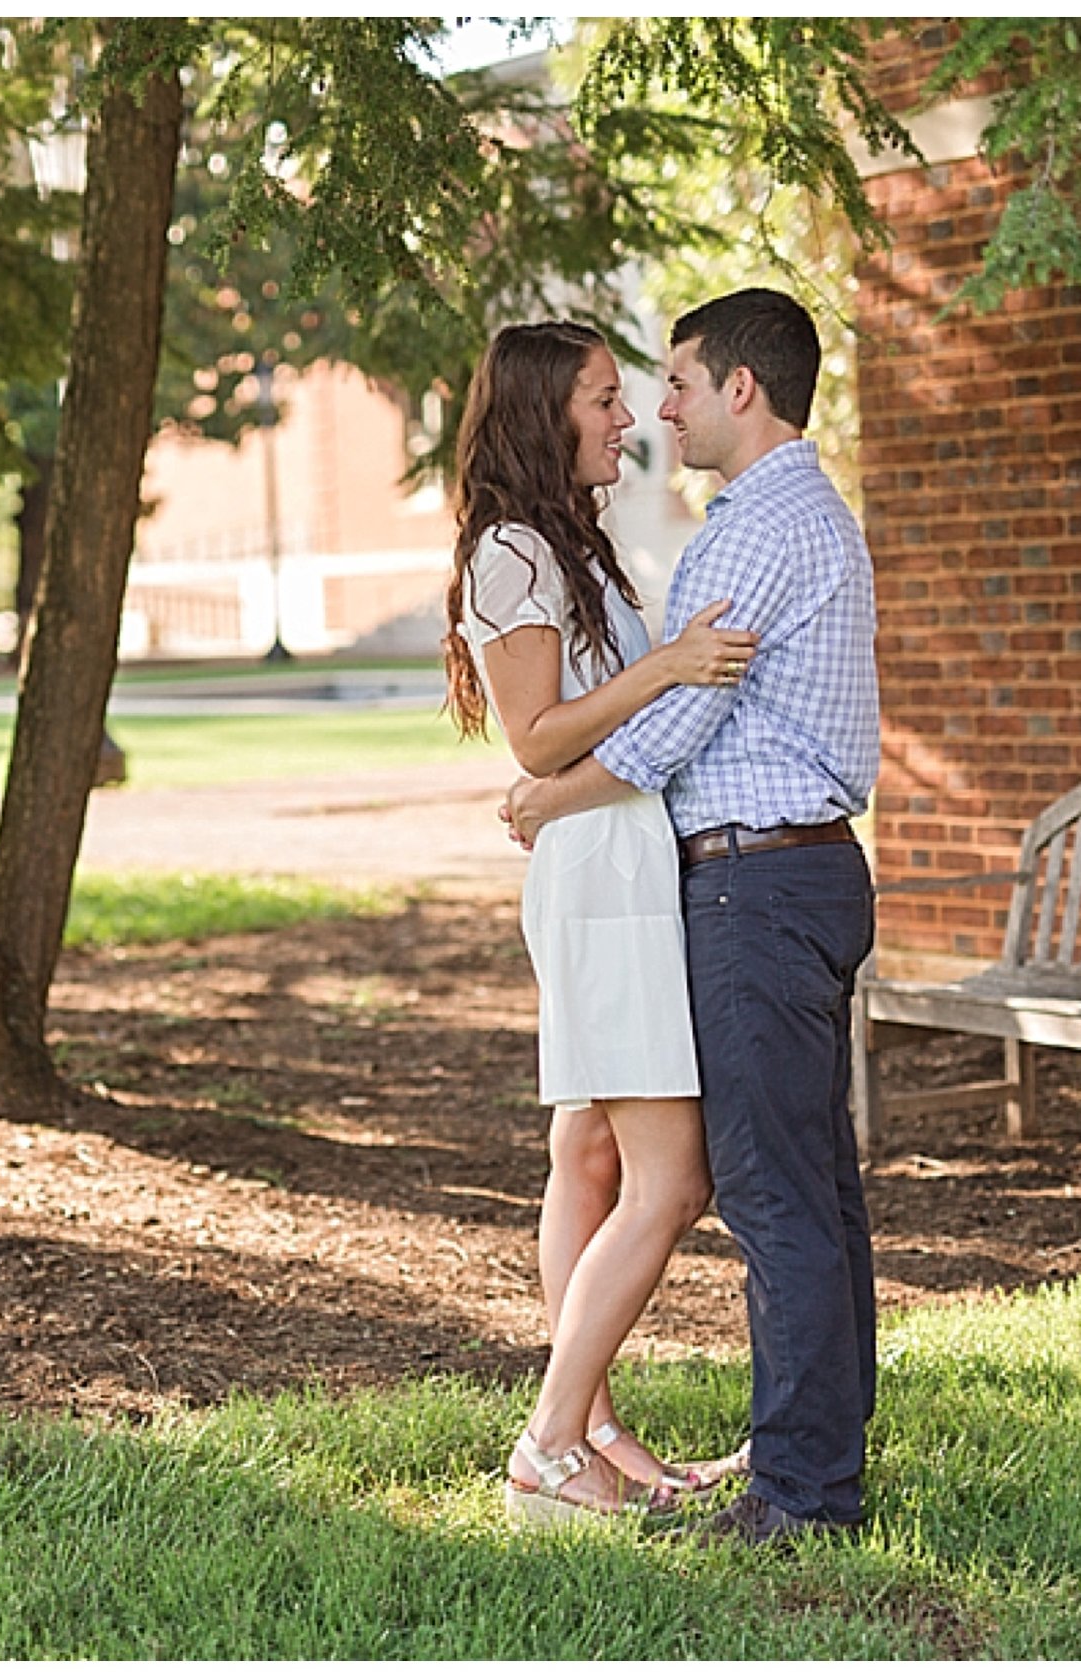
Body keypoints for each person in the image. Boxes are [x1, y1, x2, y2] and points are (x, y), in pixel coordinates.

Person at [503, 288, 881, 1548]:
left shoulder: (759, 528)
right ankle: (814, 1463)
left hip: (757, 883)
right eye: (633, 391)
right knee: (809, 1189)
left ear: (740, 389)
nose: (658, 407)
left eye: (674, 381)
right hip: (786, 875)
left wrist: (543, 796)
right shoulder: (779, 517)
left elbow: (674, 730)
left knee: (775, 1197)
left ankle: (801, 1493)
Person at [440, 319, 761, 1524]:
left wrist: (634, 699)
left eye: (630, 399)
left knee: (588, 1155)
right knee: (671, 1181)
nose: (628, 421)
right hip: (602, 883)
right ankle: (550, 1444)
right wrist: (674, 663)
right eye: (603, 400)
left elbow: (577, 753)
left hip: (616, 859)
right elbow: (538, 735)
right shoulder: (510, 553)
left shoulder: (569, 545)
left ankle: (600, 1430)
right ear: (542, 413)